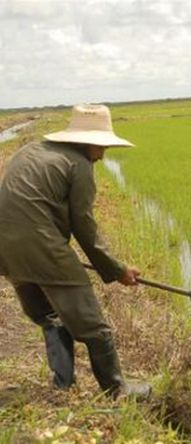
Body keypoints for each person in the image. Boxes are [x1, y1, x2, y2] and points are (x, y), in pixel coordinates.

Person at [0, 104, 150, 399]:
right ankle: (117, 389)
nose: (103, 153)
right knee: (94, 325)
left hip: (5, 249)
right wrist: (118, 271)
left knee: (50, 316)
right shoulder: (79, 164)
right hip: (40, 245)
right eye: (101, 145)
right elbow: (85, 228)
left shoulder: (32, 150)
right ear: (86, 140)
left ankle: (63, 386)